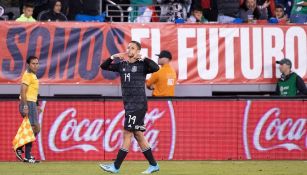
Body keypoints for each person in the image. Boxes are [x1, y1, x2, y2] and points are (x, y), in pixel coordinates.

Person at [99, 41, 160, 174]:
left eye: (132, 48)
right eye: (128, 47)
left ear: (138, 51)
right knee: (138, 135)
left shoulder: (143, 65)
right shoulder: (122, 65)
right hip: (129, 105)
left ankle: (116, 166)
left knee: (127, 133)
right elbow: (103, 66)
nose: (129, 50)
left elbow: (156, 68)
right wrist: (113, 56)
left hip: (138, 105)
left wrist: (144, 58)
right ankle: (153, 165)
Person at [15, 56, 40, 163]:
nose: (35, 65)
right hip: (28, 103)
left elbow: (33, 91)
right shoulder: (27, 75)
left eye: (37, 63)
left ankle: (26, 155)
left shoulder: (33, 75)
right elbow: (23, 91)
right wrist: (25, 106)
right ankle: (20, 148)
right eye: (33, 63)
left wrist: (37, 104)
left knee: (35, 129)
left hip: (32, 103)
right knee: (35, 128)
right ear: (28, 65)